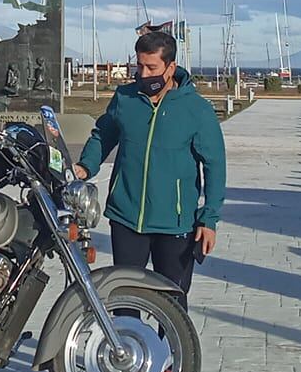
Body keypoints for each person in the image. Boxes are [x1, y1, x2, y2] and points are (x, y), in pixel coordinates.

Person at [74, 28, 226, 303]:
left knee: (171, 304)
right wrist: (86, 166)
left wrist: (209, 219)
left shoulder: (197, 110)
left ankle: (170, 348)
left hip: (175, 224)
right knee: (124, 300)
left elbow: (215, 165)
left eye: (151, 67)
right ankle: (127, 344)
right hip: (126, 219)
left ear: (171, 67)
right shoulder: (125, 98)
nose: (143, 74)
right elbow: (103, 134)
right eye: (139, 66)